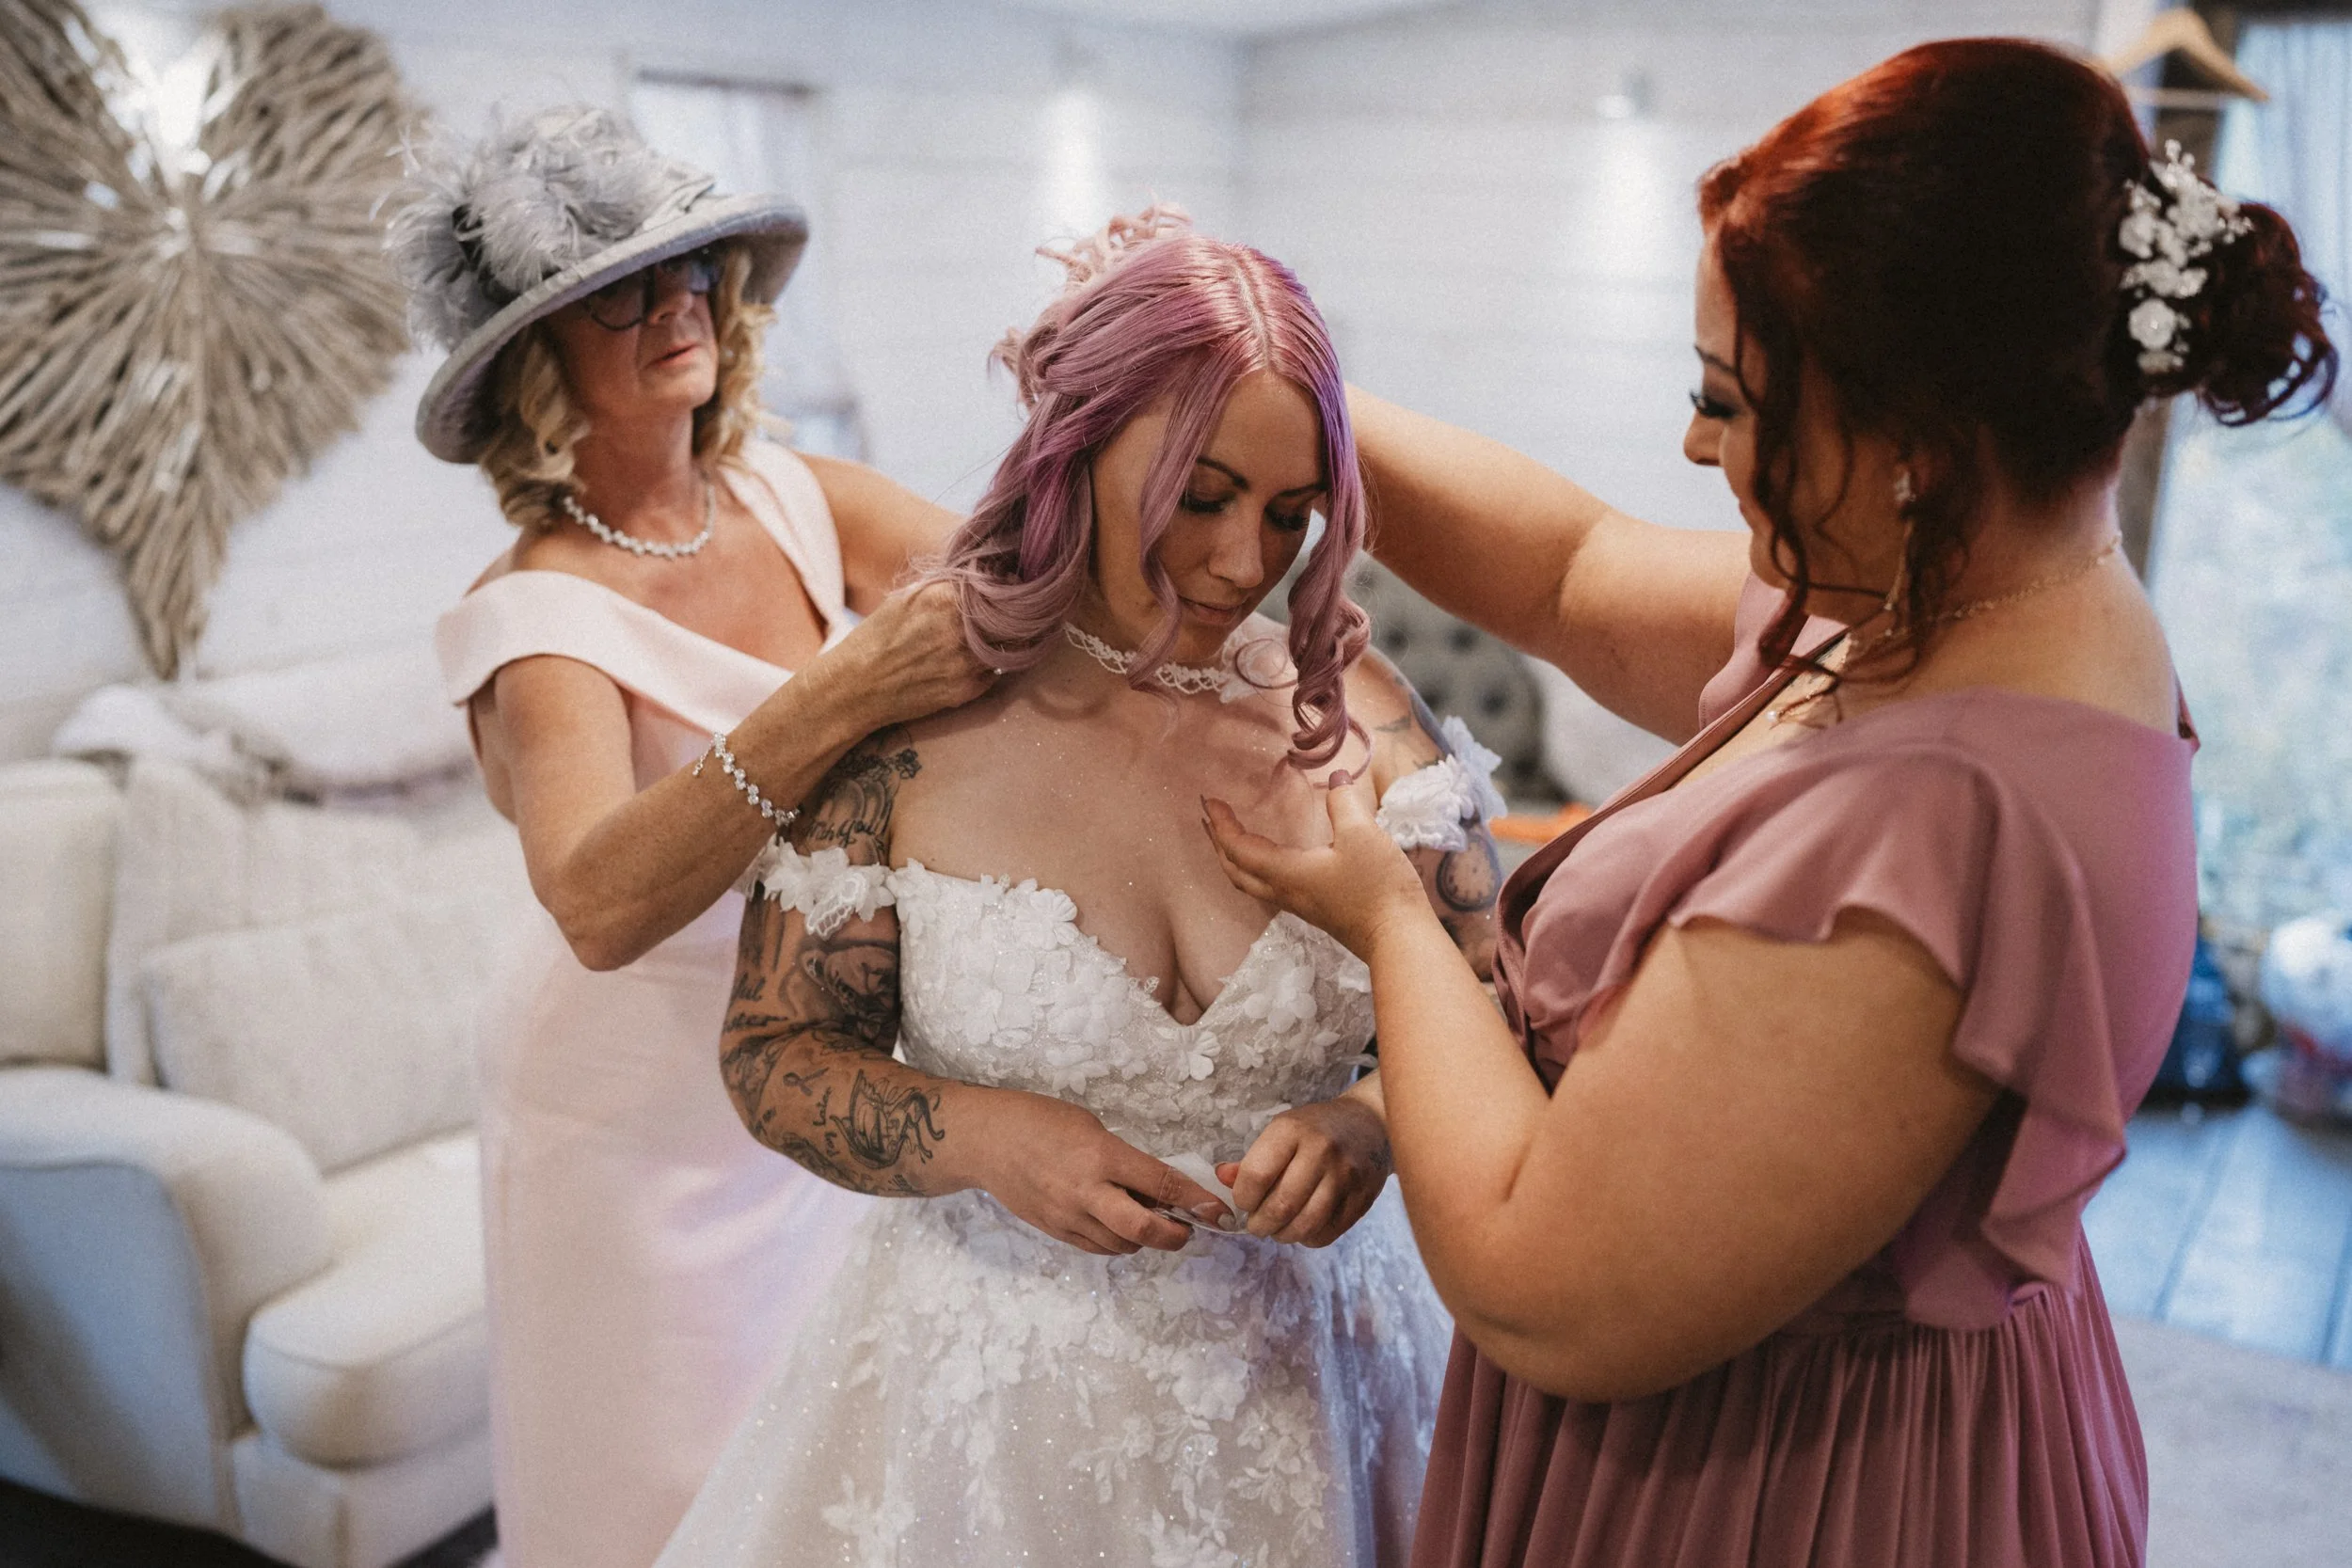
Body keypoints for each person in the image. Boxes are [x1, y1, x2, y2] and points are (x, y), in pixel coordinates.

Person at [1204, 39, 2337, 1568]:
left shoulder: (1940, 829)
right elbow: (1572, 574)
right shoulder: (1967, 599)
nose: (1695, 445)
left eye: (1731, 402)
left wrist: (1382, 910)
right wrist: (1283, 397)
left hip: (1789, 1491)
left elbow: (1549, 1284)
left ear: (1920, 449)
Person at [655, 211, 1497, 1568]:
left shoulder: (1364, 725)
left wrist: (1370, 1119)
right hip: (984, 1419)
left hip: (1324, 1395)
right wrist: (982, 1135)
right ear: (1078, 446)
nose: (1244, 562)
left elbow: (1494, 1010)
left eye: (1292, 514)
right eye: (1201, 496)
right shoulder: (913, 724)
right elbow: (774, 1053)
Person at [389, 108, 993, 1568]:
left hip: (807, 1064)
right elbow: (596, 898)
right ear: (538, 360)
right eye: (619, 290)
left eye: (690, 272)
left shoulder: (791, 495)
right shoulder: (534, 617)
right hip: (622, 1122)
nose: (676, 308)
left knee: (818, 1486)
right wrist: (844, 687)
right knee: (655, 1497)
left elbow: (1017, 591)